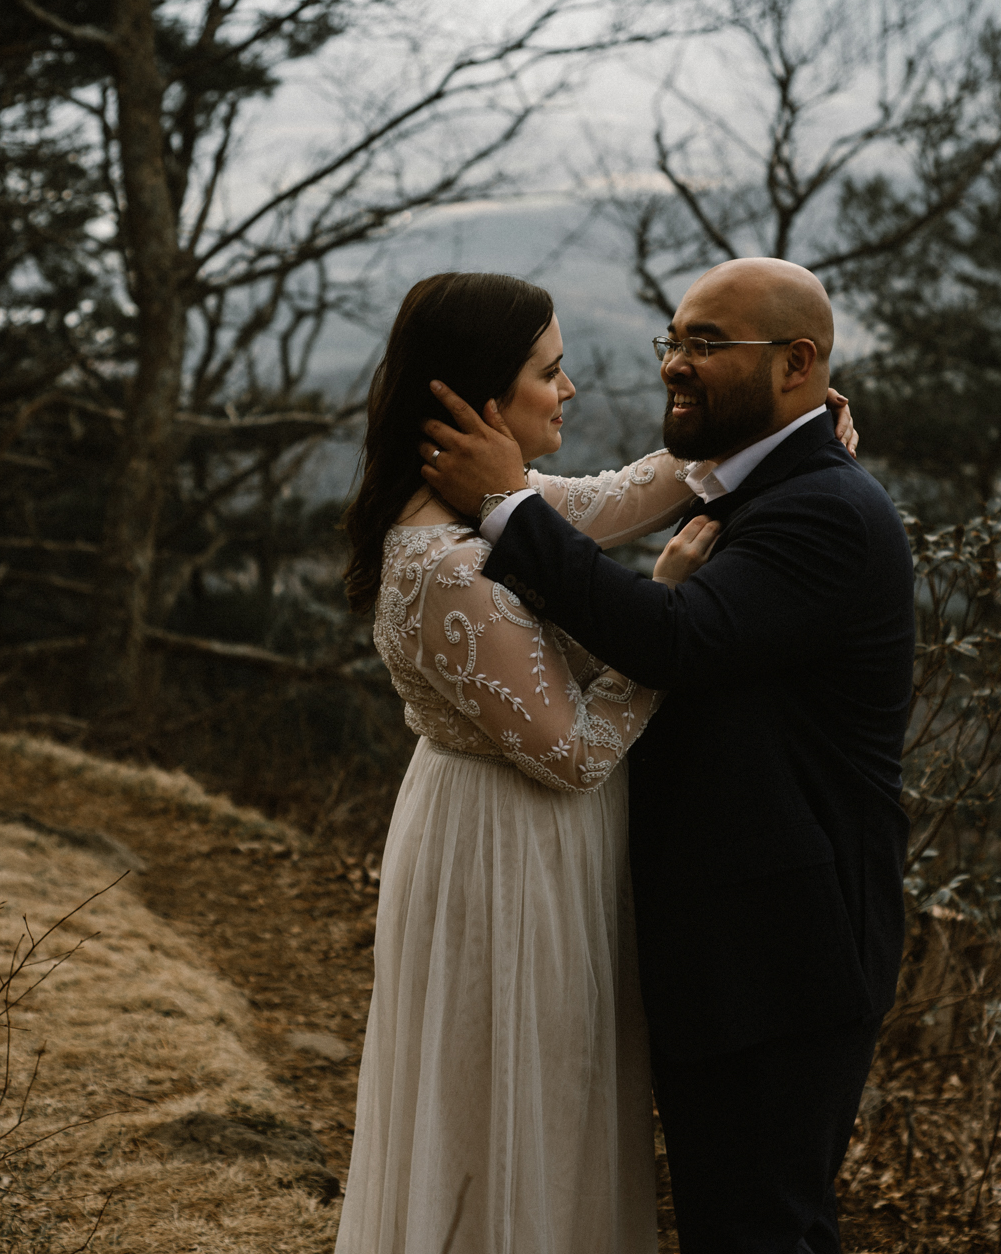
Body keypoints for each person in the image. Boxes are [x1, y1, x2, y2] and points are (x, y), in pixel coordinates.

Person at [335, 271, 852, 1254]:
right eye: (550, 370)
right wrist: (663, 611)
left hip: (530, 850)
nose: (567, 391)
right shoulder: (442, 562)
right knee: (505, 1119)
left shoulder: (488, 503)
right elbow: (573, 753)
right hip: (502, 857)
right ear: (487, 396)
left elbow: (618, 498)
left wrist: (773, 439)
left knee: (548, 1115)